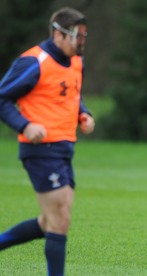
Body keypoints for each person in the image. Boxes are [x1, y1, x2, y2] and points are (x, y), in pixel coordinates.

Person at [0, 7, 95, 276]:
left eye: (84, 36)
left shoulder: (77, 61)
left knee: (49, 221)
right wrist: (25, 125)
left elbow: (72, 94)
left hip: (64, 149)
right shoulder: (34, 61)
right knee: (60, 220)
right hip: (40, 150)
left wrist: (83, 113)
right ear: (58, 34)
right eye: (77, 35)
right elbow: (2, 98)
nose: (81, 42)